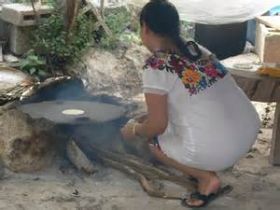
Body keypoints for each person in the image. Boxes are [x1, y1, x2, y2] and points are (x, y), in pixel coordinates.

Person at [121, 0, 260, 208]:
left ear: (146, 28)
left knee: (153, 142)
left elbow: (157, 126)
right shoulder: (196, 48)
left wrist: (132, 130)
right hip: (248, 131)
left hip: (221, 149)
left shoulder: (156, 65)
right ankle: (208, 160)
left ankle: (206, 178)